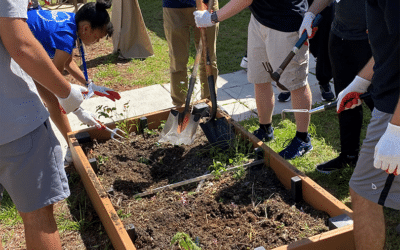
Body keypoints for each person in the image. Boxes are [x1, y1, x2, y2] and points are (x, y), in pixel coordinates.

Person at [0, 0, 86, 248]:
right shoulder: (65, 32)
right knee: (37, 215)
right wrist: (67, 93)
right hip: (13, 123)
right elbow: (21, 46)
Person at [194, 0, 314, 160]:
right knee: (260, 78)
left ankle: (303, 139)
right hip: (259, 20)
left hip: (286, 23)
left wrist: (213, 17)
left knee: (296, 84)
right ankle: (265, 129)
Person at [334, 0, 398, 248]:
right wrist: (360, 83)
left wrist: (396, 130)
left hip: (395, 109)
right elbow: (392, 45)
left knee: (363, 192)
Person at [26, 1, 120, 163]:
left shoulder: (70, 20)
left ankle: (70, 143)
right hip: (12, 46)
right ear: (86, 28)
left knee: (52, 99)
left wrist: (89, 84)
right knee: (51, 101)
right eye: (97, 37)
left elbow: (68, 62)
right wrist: (79, 111)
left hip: (24, 41)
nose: (96, 42)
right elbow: (51, 79)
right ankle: (71, 144)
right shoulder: (66, 37)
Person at [300, 0, 374, 174]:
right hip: (339, 36)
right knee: (345, 100)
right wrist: (310, 13)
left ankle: (391, 165)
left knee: (379, 104)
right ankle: (348, 156)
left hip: (370, 41)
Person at [163, 0, 219, 107]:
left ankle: (209, 105)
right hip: (174, 6)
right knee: (177, 61)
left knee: (208, 59)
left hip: (207, 5)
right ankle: (180, 107)